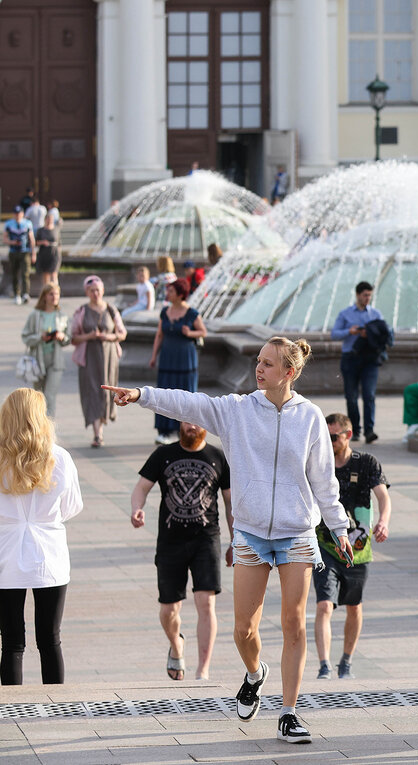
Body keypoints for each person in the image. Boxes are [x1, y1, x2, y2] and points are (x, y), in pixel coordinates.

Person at [102, 336, 354, 745]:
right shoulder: (236, 410)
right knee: (242, 630)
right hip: (251, 532)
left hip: (296, 533)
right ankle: (255, 674)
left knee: (294, 623)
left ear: (289, 372)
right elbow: (187, 403)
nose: (259, 369)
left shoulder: (309, 417)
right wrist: (140, 395)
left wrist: (339, 528)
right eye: (258, 361)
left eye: (268, 364)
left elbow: (324, 481)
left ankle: (289, 712)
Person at [130, 422, 233, 681]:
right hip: (170, 540)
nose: (190, 426)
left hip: (206, 539)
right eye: (186, 421)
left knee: (206, 602)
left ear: (205, 426)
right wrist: (136, 509)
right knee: (169, 609)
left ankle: (203, 671)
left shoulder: (218, 456)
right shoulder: (163, 454)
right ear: (179, 424)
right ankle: (177, 644)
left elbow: (230, 502)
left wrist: (236, 541)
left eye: (196, 421)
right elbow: (141, 487)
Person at [0, 389, 83, 686]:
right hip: (49, 554)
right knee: (50, 640)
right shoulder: (59, 457)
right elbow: (73, 506)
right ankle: (56, 704)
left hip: (6, 554)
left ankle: (10, 706)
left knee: (11, 641)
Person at [314, 413, 391, 680]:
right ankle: (324, 665)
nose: (329, 441)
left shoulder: (366, 462)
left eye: (333, 437)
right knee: (324, 605)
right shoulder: (318, 463)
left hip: (358, 546)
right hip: (324, 543)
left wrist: (383, 521)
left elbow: (383, 495)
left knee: (353, 606)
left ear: (347, 436)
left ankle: (345, 661)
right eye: (325, 436)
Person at [70, 276, 127, 448]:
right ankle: (97, 434)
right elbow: (73, 337)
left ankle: (101, 425)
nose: (95, 293)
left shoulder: (111, 309)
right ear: (87, 292)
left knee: (106, 391)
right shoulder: (81, 311)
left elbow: (122, 333)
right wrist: (90, 336)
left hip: (109, 356)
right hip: (89, 357)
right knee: (92, 392)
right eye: (91, 290)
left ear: (103, 291)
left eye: (98, 290)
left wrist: (109, 336)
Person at [150, 280, 207, 445]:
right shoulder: (165, 312)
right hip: (167, 358)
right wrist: (154, 356)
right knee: (164, 392)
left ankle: (184, 430)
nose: (168, 294)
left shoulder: (192, 313)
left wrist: (190, 333)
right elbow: (159, 334)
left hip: (185, 360)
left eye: (172, 291)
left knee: (185, 394)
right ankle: (164, 431)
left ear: (181, 294)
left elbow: (203, 332)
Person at [331, 282, 384, 442]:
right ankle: (355, 429)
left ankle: (369, 430)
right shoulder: (345, 314)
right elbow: (334, 334)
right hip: (350, 358)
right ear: (357, 295)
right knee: (351, 396)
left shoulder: (375, 314)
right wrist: (350, 331)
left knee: (369, 395)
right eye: (364, 295)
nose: (367, 298)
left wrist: (372, 334)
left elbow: (383, 333)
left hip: (370, 359)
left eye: (369, 295)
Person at [21, 285, 72, 418]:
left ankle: (48, 431)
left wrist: (62, 337)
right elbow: (25, 337)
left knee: (50, 395)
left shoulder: (62, 316)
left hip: (56, 361)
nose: (54, 297)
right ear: (44, 296)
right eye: (51, 294)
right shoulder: (35, 315)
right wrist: (40, 337)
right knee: (38, 397)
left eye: (56, 294)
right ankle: (37, 427)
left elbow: (68, 339)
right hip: (38, 360)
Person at [6, 206, 35, 304]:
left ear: (22, 214)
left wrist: (33, 252)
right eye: (16, 213)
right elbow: (4, 238)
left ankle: (25, 293)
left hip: (25, 251)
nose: (17, 215)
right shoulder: (9, 224)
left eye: (19, 213)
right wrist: (12, 242)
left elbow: (31, 239)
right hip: (13, 251)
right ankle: (17, 294)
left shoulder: (27, 223)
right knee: (15, 274)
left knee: (25, 273)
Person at [33, 212, 58, 288]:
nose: (49, 221)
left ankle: (55, 291)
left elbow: (58, 242)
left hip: (54, 253)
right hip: (44, 253)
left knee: (54, 273)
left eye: (51, 219)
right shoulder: (41, 230)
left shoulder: (56, 229)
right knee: (46, 274)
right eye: (48, 219)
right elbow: (35, 242)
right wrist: (43, 242)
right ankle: (46, 292)